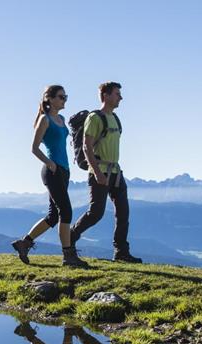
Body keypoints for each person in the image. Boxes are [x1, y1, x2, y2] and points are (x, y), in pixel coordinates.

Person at [11, 85, 88, 268]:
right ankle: (68, 255)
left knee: (54, 216)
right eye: (61, 97)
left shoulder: (60, 119)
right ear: (50, 99)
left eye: (65, 97)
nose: (64, 100)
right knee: (66, 211)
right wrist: (50, 163)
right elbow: (34, 148)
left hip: (64, 170)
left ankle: (24, 243)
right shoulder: (44, 120)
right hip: (52, 171)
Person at [70, 82, 142, 263]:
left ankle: (121, 252)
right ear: (106, 95)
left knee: (123, 212)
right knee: (96, 213)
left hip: (116, 171)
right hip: (100, 171)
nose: (121, 98)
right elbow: (87, 148)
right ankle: (70, 238)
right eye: (117, 94)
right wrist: (96, 173)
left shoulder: (115, 119)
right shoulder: (95, 118)